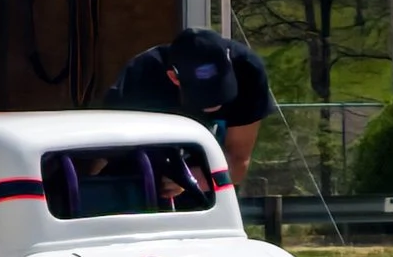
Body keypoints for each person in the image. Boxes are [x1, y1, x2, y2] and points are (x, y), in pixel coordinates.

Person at [107, 27, 276, 174]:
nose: (214, 103)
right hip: (144, 177)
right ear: (174, 77)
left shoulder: (248, 70)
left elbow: (238, 161)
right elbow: (107, 152)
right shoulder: (140, 76)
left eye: (220, 89)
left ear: (229, 60)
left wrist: (193, 179)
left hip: (211, 180)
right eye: (203, 95)